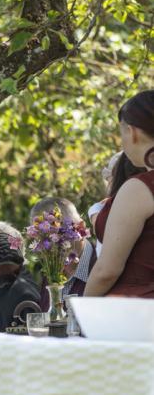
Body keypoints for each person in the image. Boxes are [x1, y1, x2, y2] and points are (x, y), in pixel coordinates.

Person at [86, 91, 154, 298]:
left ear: (132, 132)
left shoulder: (139, 188)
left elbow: (107, 271)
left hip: (137, 313)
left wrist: (79, 313)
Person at [27, 197, 95, 300]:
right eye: (42, 238)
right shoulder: (49, 275)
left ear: (81, 227)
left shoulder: (103, 267)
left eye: (60, 232)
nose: (51, 245)